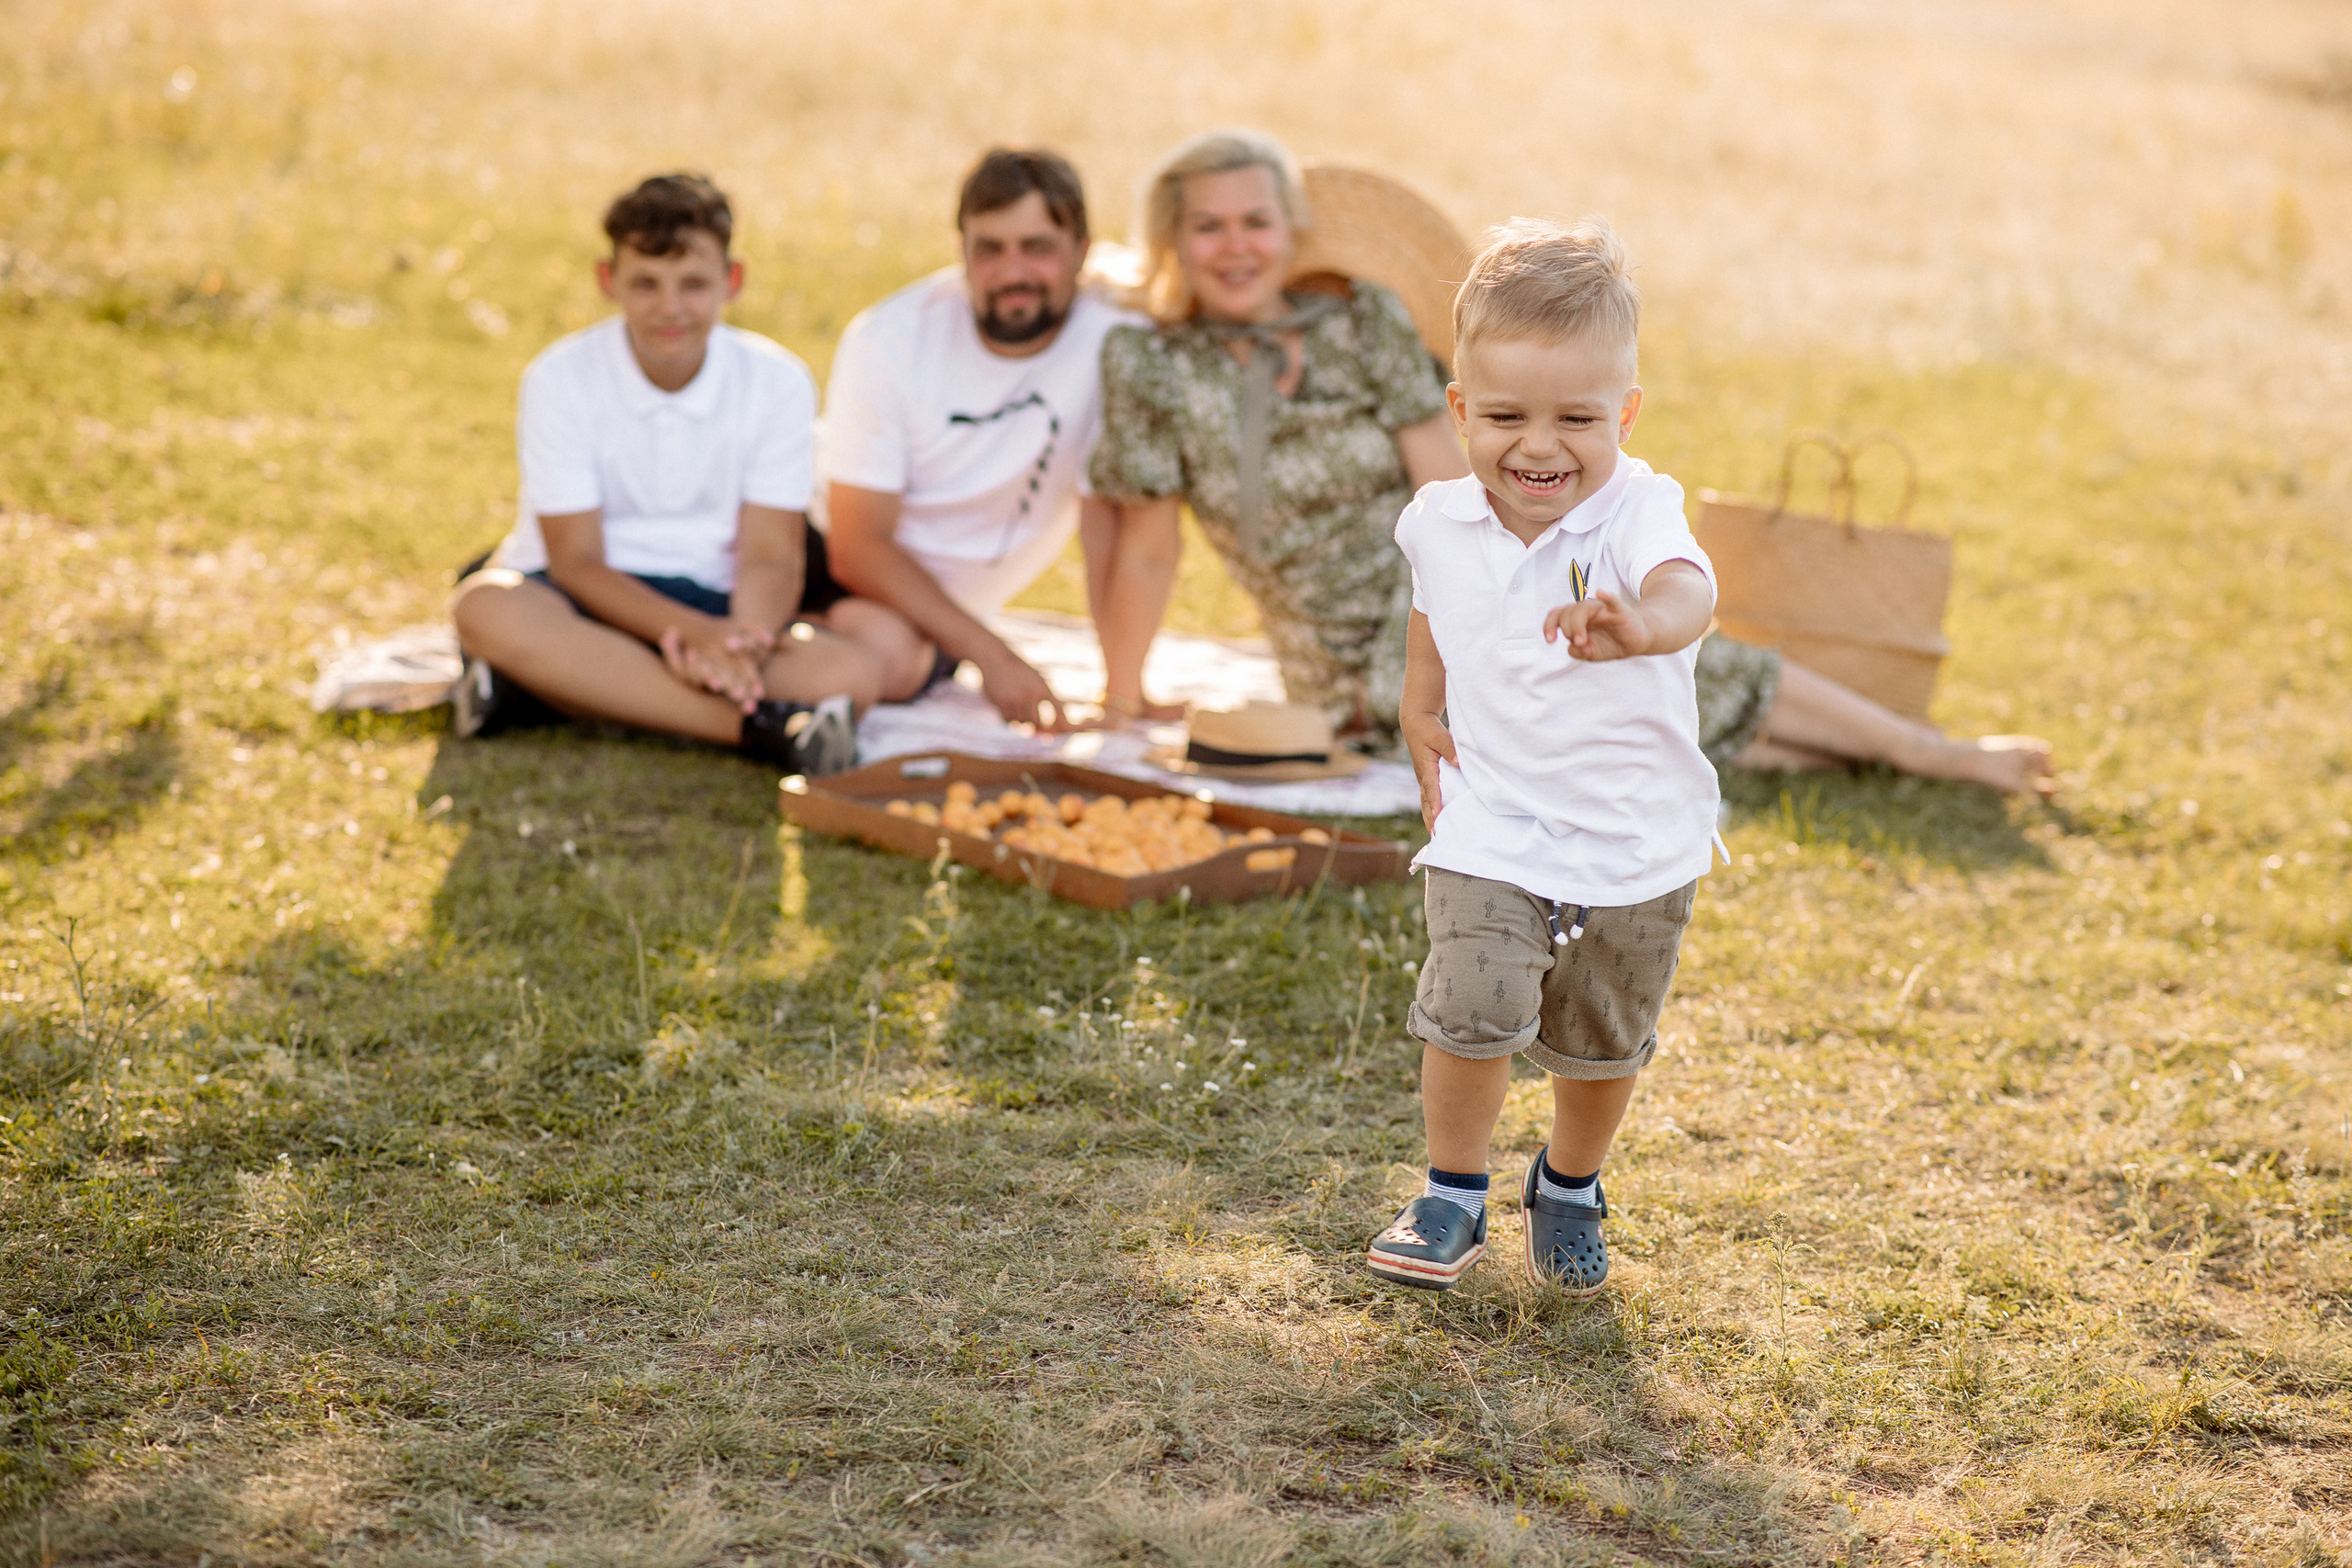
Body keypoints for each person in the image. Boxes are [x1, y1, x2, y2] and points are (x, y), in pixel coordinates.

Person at [1364, 218, 1717, 1294]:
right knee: (1470, 1004)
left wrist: (1644, 625)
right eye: (1507, 415)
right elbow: (1435, 609)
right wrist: (1419, 703)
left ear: (1625, 413)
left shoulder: (1637, 510)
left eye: (1577, 417)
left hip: (1632, 837)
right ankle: (1451, 1192)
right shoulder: (1437, 519)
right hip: (1495, 821)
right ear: (1461, 411)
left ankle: (1567, 1184)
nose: (1540, 446)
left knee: (1599, 1038)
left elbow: (1689, 589)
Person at [449, 173, 876, 774]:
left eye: (694, 284)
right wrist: (688, 634)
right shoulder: (559, 377)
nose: (670, 308)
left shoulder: (778, 381)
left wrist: (740, 640)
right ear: (608, 280)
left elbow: (771, 551)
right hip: (582, 597)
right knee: (486, 607)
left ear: (733, 281)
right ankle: (760, 730)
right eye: (646, 283)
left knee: (849, 672)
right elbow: (576, 558)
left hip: (717, 599)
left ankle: (548, 691)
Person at [1088, 130, 1470, 742]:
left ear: (1291, 231)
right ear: (1174, 243)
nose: (1236, 247)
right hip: (1333, 673)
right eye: (1209, 226)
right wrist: (1121, 701)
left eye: (1257, 222)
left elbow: (1452, 494)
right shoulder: (1154, 366)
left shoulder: (1363, 320)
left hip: (1444, 602)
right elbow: (1148, 552)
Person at [811, 148, 1147, 730]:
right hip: (812, 543)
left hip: (926, 612)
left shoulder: (1119, 342)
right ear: (961, 250)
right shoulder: (891, 337)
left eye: (1038, 248)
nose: (1013, 273)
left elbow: (1110, 527)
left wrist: (1122, 689)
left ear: (1083, 251)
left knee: (892, 657)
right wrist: (992, 655)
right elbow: (856, 544)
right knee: (881, 656)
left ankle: (781, 658)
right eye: (989, 249)